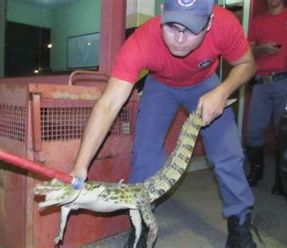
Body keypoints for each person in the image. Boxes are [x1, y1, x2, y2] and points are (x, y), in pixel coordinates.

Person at [69, 0, 257, 247]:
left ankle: (239, 223)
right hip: (161, 85)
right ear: (161, 14)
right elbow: (108, 104)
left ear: (209, 22)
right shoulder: (141, 41)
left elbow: (248, 64)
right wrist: (80, 166)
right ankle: (141, 227)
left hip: (205, 83)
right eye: (172, 27)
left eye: (190, 29)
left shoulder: (225, 24)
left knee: (227, 152)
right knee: (145, 155)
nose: (180, 38)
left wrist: (222, 91)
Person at [245, 0, 287, 194]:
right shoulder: (257, 22)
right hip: (261, 83)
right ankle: (256, 171)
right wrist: (261, 49)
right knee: (253, 131)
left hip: (285, 81)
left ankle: (281, 179)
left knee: (283, 132)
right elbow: (248, 50)